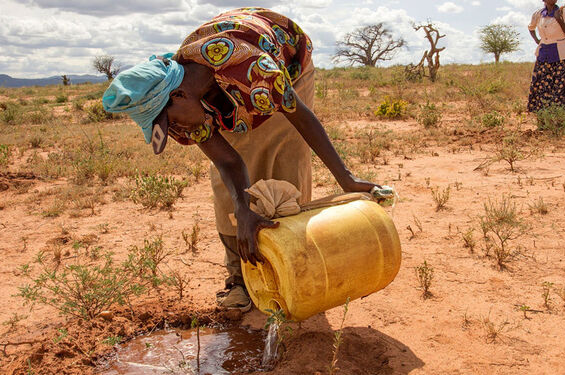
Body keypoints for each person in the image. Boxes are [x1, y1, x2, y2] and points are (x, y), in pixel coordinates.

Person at [102, 8, 378, 311]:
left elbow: (303, 120)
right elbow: (229, 162)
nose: (177, 131)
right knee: (229, 189)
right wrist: (243, 210)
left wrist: (346, 179)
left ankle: (291, 269)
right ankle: (240, 276)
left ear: (179, 96)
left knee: (283, 159)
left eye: (171, 123)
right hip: (224, 89)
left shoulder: (254, 70)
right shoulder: (186, 103)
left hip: (287, 67)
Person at [527, 0, 565, 112]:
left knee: (560, 88)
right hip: (543, 55)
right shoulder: (538, 14)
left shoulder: (563, 12)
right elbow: (531, 28)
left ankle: (559, 121)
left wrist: (559, 19)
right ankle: (543, 120)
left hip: (560, 56)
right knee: (541, 87)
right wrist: (537, 40)